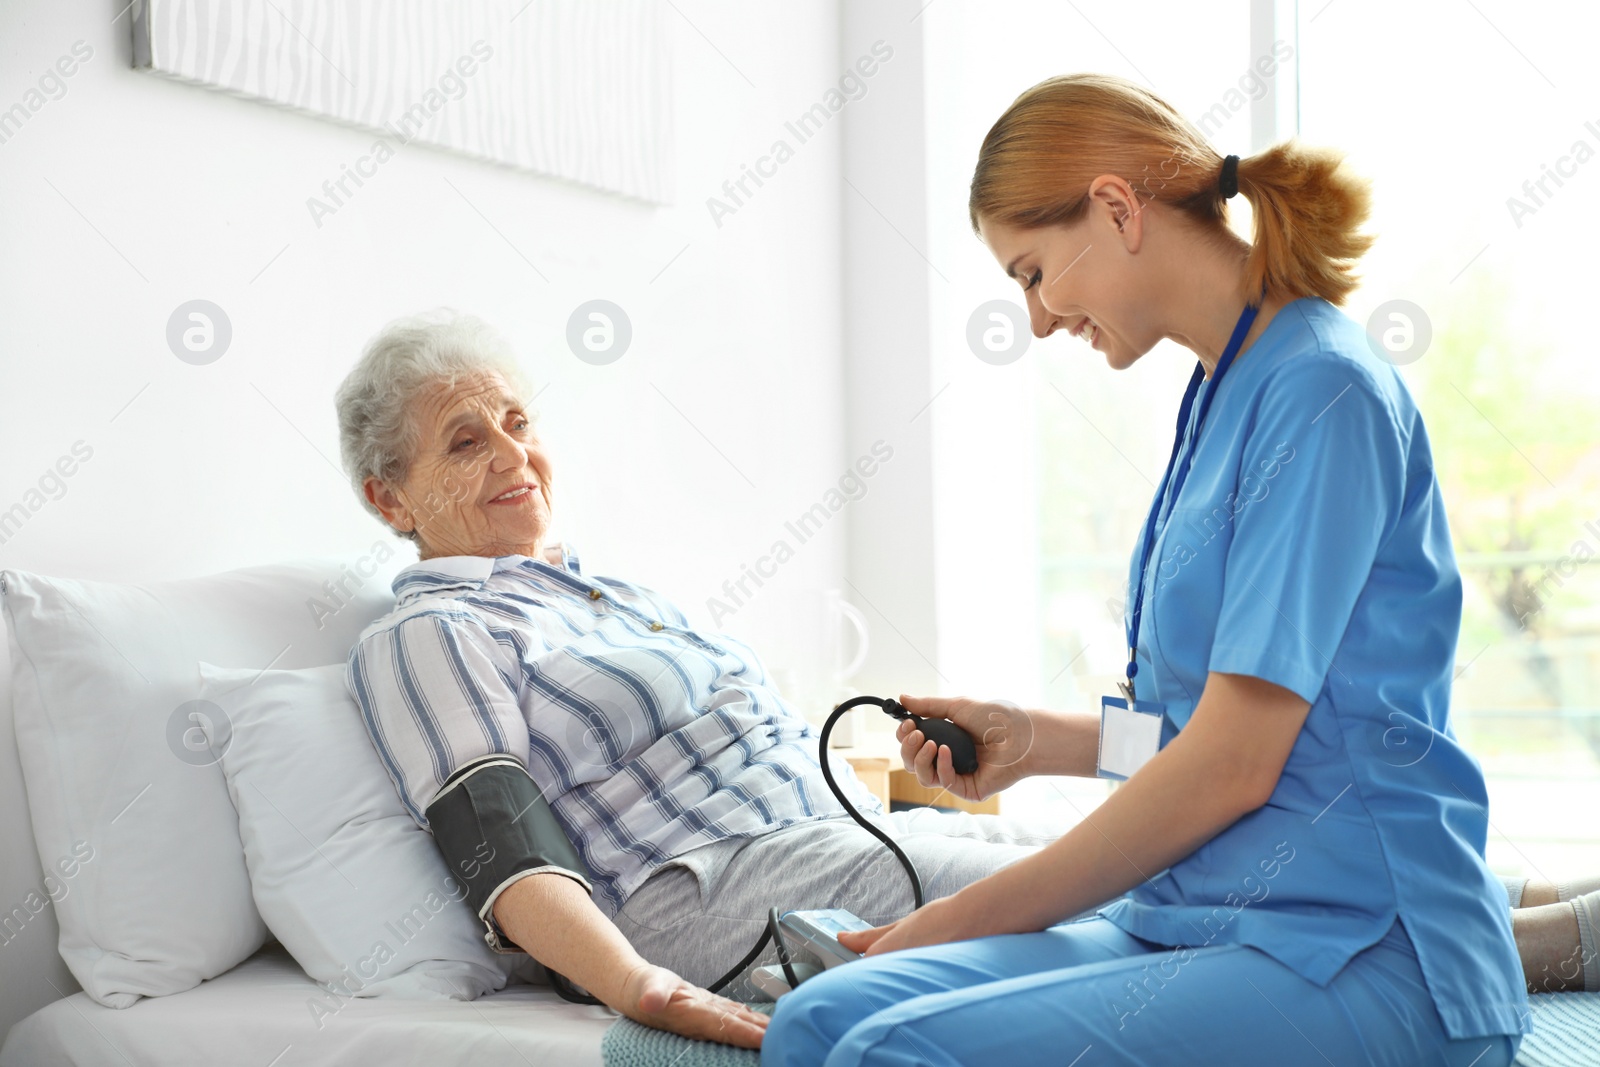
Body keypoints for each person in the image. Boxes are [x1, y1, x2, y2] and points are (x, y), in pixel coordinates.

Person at [763, 72, 1528, 1067]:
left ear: (1115, 208)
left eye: (1032, 272)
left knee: (882, 1049)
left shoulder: (1320, 394)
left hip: (1363, 948)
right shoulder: (1219, 392)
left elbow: (1230, 766)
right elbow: (1194, 728)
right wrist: (1032, 739)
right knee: (816, 1018)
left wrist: (953, 917)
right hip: (1202, 918)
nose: (1037, 318)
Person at [333, 311, 1057, 1051]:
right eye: (466, 440)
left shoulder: (614, 593)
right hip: (705, 884)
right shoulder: (432, 628)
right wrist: (637, 982)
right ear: (391, 499)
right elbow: (497, 841)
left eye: (518, 422)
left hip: (856, 830)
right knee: (1096, 892)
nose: (512, 452)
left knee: (1146, 859)